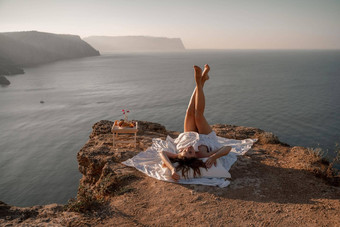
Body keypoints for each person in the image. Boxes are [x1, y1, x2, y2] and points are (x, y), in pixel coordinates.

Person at [160, 64, 232, 182]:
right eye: (190, 151)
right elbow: (228, 148)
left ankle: (202, 79)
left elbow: (162, 153)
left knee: (189, 112)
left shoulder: (178, 156)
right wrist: (214, 157)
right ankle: (200, 81)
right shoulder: (202, 155)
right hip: (205, 136)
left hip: (188, 135)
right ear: (194, 156)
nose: (187, 148)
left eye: (184, 151)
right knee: (198, 115)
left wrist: (172, 168)